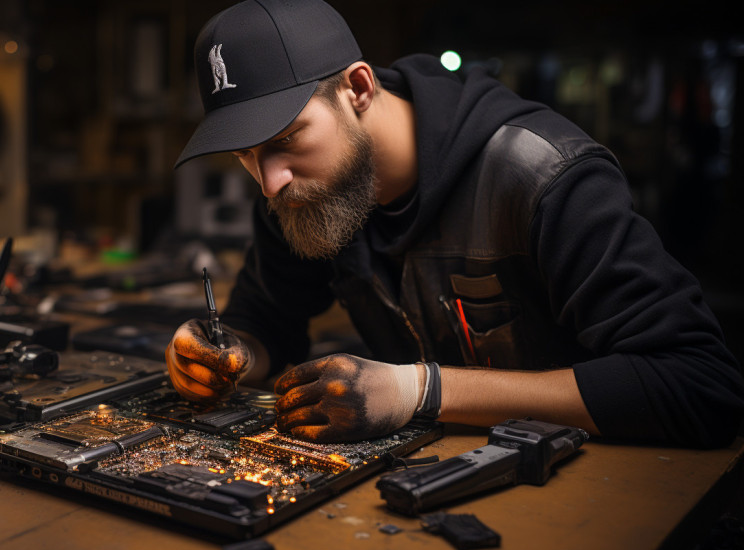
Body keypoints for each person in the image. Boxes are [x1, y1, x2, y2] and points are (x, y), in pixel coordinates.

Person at [165, 0, 744, 448]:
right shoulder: (300, 192)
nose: (270, 182)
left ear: (359, 89)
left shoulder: (542, 175)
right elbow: (267, 322)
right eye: (245, 154)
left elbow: (700, 387)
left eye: (287, 140)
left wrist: (420, 390)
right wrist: (227, 353)